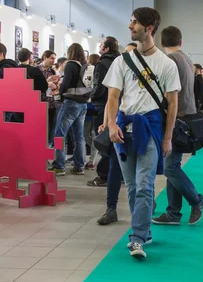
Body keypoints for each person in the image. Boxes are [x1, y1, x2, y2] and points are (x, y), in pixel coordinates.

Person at [103, 7, 180, 259]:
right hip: (123, 130)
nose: (129, 26)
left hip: (150, 129)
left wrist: (168, 137)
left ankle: (137, 238)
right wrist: (112, 124)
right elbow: (112, 97)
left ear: (149, 28)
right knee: (134, 187)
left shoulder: (166, 64)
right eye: (130, 21)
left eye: (134, 22)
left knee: (145, 186)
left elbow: (172, 104)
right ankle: (144, 230)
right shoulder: (121, 61)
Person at [152, 26, 203, 226]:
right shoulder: (186, 59)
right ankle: (173, 213)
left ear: (162, 43)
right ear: (180, 42)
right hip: (186, 118)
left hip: (175, 120)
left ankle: (196, 200)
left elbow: (167, 94)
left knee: (170, 168)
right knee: (171, 166)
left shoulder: (169, 61)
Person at [95, 43, 137, 224]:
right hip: (118, 128)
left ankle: (143, 206)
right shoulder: (119, 72)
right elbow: (110, 100)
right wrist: (106, 123)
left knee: (140, 173)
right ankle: (111, 209)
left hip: (139, 129)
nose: (127, 57)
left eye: (130, 53)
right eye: (125, 53)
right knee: (114, 169)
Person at [87, 37, 122, 185]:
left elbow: (99, 86)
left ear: (106, 49)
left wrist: (92, 98)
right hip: (119, 104)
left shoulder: (102, 64)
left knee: (103, 140)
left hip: (103, 105)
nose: (99, 46)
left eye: (101, 44)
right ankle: (115, 174)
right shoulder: (119, 62)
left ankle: (105, 175)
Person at [50, 43, 89, 176]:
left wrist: (59, 92)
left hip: (71, 102)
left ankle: (59, 165)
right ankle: (79, 165)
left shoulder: (70, 64)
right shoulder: (84, 65)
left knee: (59, 134)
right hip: (83, 103)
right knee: (79, 136)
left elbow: (66, 83)